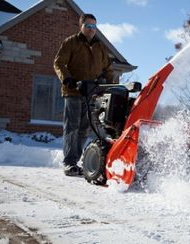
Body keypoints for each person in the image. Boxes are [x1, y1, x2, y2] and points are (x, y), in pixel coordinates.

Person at [54, 13, 116, 176]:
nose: (91, 29)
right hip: (73, 91)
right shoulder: (71, 43)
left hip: (91, 94)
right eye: (88, 26)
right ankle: (69, 163)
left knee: (83, 129)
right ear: (81, 26)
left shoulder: (100, 47)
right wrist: (67, 78)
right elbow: (59, 63)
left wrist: (107, 84)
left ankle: (76, 161)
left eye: (94, 27)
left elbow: (108, 69)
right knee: (71, 127)